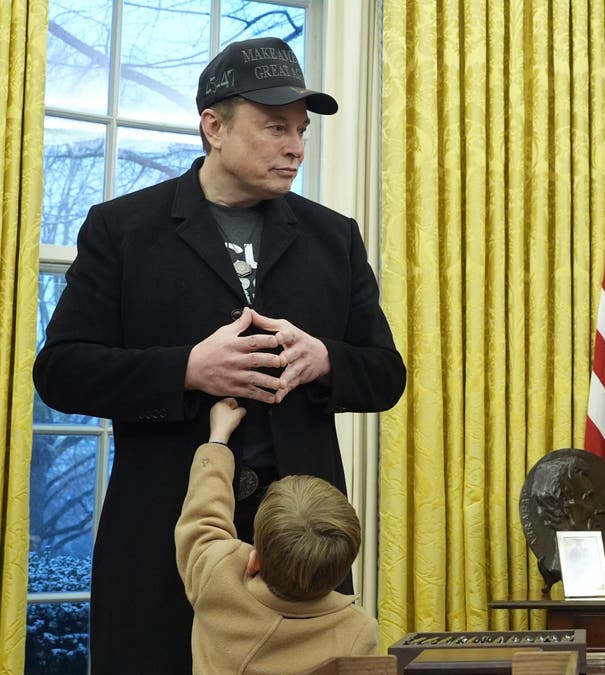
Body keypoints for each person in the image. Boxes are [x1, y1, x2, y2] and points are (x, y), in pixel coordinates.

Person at [32, 37, 406, 674]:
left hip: (302, 560)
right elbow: (61, 370)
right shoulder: (121, 230)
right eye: (274, 127)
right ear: (213, 126)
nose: (295, 147)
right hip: (162, 539)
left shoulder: (333, 237)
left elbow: (386, 375)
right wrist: (185, 370)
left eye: (301, 130)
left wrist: (325, 360)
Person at [176, 399, 378, 673]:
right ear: (341, 570)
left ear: (254, 559)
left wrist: (218, 440)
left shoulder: (218, 579)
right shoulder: (357, 630)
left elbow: (203, 517)